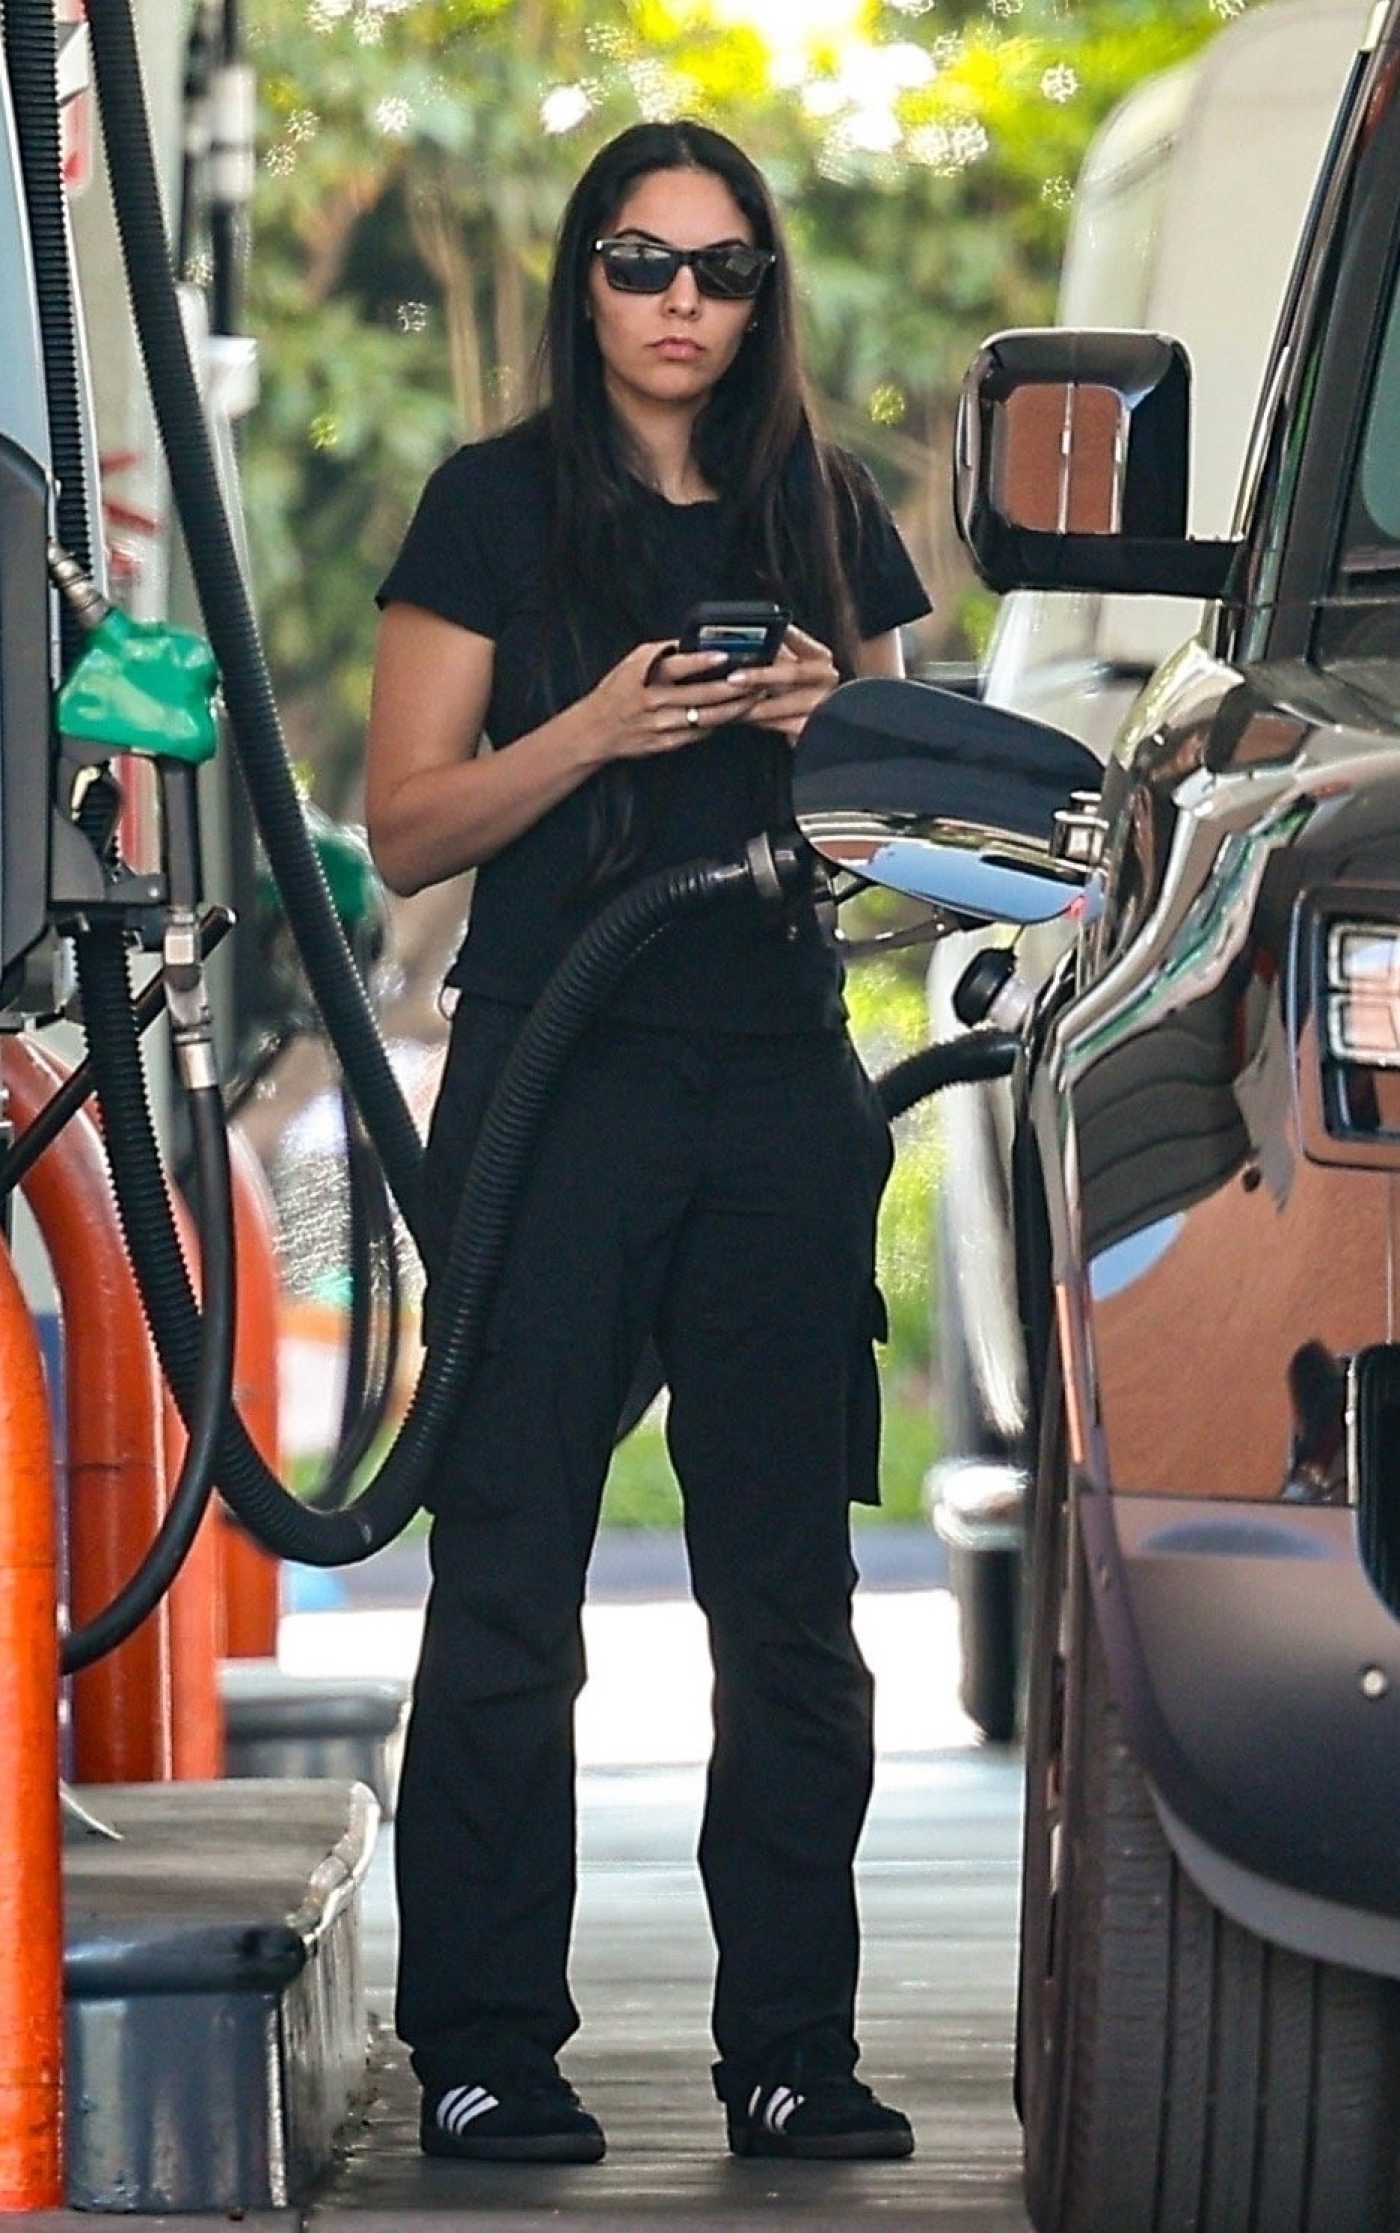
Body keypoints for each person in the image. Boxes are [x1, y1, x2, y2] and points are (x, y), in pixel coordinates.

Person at [366, 116, 932, 2168]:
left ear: (763, 292)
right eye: (638, 260)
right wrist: (597, 726)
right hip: (555, 1076)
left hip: (777, 1073)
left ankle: (792, 2047)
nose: (679, 302)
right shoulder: (491, 506)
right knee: (507, 1568)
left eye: (719, 268)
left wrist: (823, 728)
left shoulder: (826, 508)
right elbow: (405, 822)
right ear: (580, 284)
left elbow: (936, 842)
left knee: (785, 1589)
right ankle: (486, 2044)